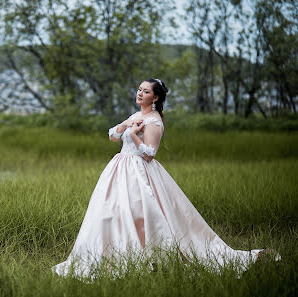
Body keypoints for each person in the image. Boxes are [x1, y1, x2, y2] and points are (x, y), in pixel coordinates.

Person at [51, 78, 280, 279]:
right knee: (111, 213)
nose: (140, 93)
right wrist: (126, 125)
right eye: (139, 89)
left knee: (141, 213)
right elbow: (113, 136)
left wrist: (133, 136)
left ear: (156, 97)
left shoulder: (154, 122)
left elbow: (150, 154)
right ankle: (111, 253)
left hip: (139, 172)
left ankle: (149, 256)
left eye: (146, 91)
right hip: (120, 169)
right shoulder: (136, 115)